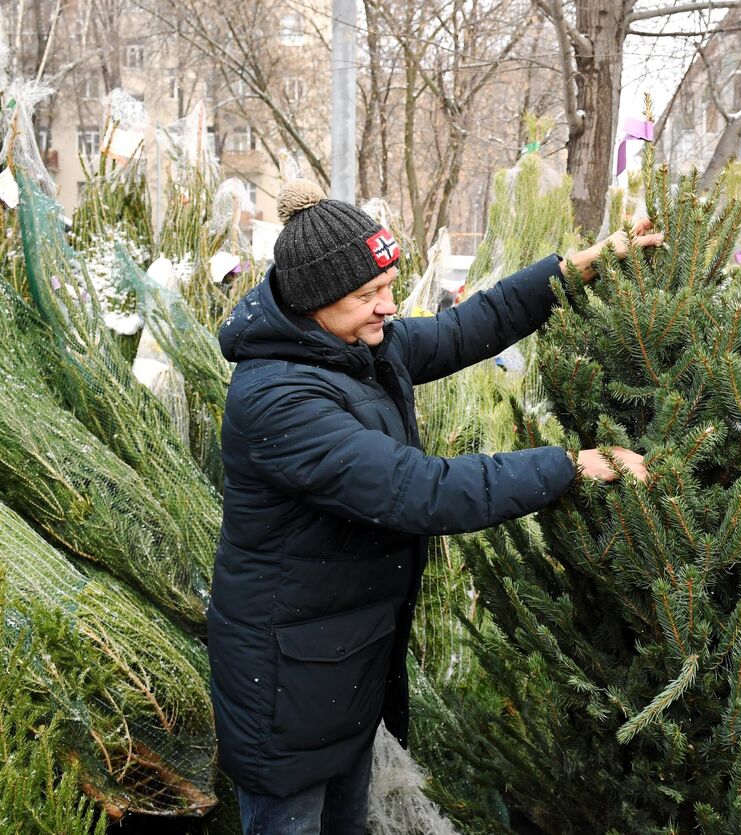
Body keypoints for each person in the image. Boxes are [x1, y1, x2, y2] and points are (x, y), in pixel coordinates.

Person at [208, 179, 661, 834]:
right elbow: (420, 490)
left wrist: (581, 266)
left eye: (388, 286)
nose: (387, 307)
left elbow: (463, 329)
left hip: (338, 663)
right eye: (368, 295)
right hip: (285, 687)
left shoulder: (353, 346)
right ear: (313, 302)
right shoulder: (279, 397)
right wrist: (566, 464)